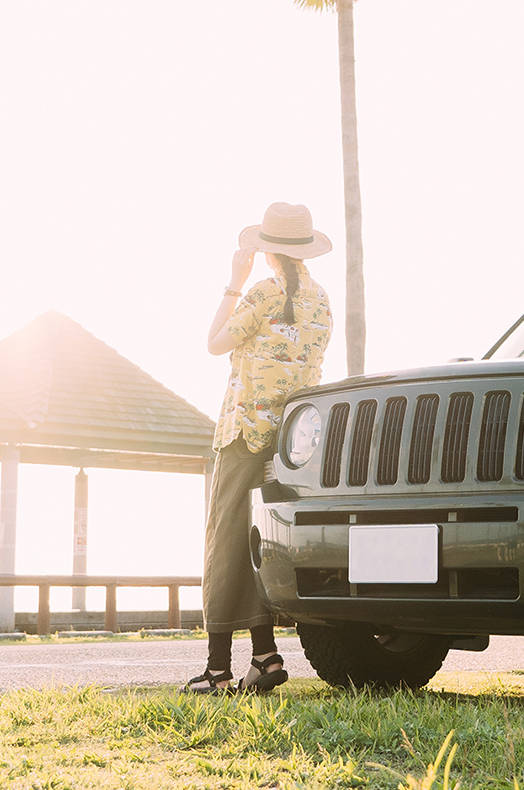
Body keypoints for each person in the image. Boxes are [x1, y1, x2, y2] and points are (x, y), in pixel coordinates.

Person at [185, 202, 334, 694]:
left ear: (269, 251)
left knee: (225, 542)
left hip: (243, 434)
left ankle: (217, 668)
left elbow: (213, 343)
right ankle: (266, 657)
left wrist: (233, 280)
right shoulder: (322, 302)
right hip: (291, 443)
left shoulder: (262, 294)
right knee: (257, 545)